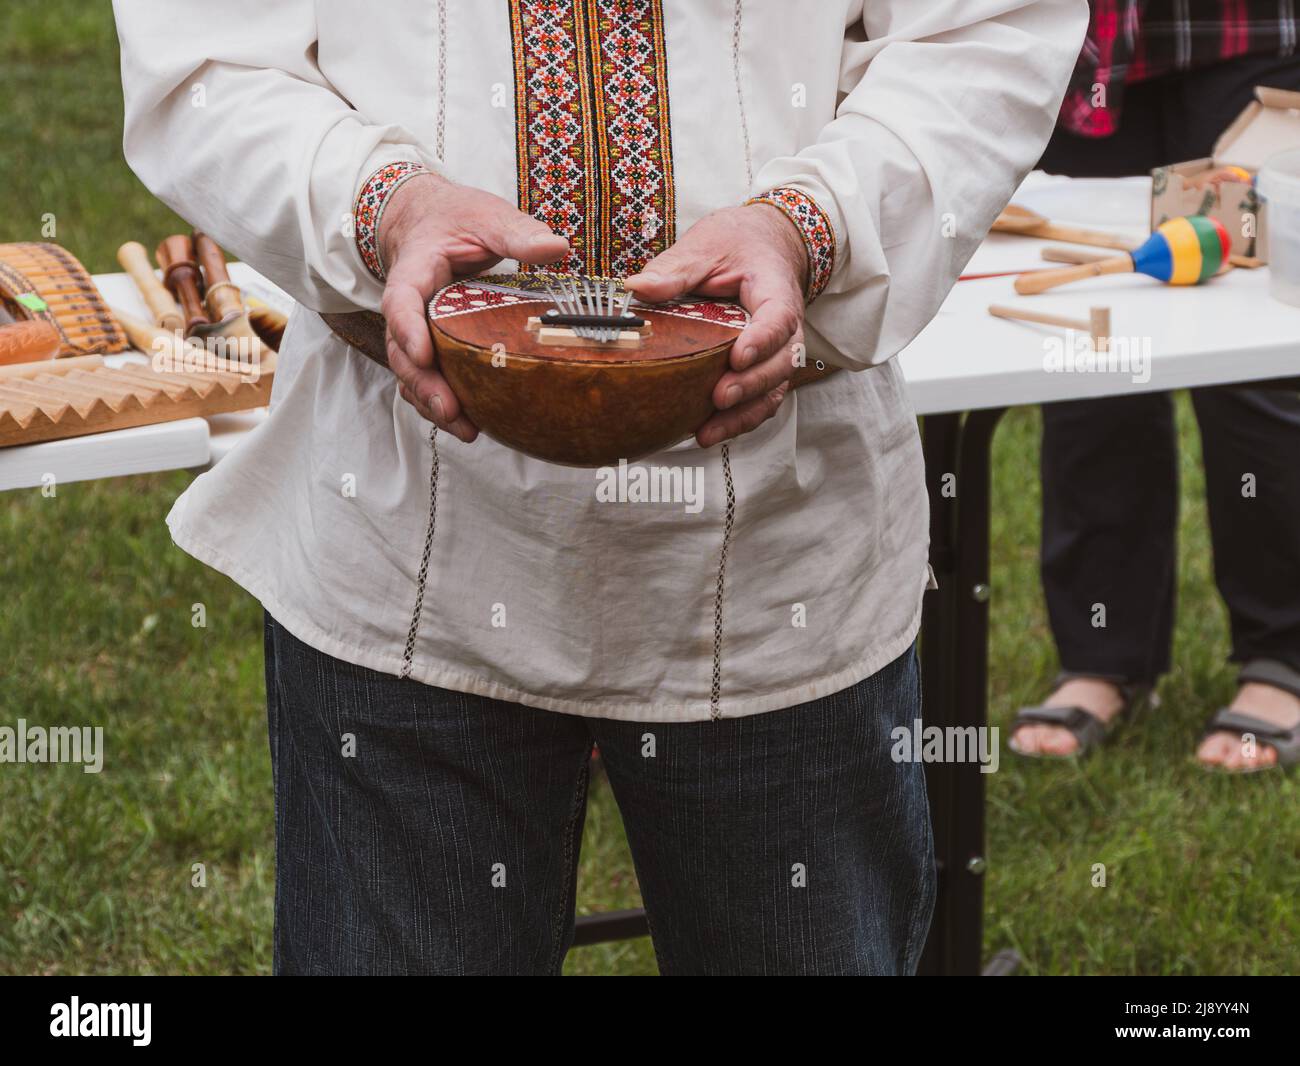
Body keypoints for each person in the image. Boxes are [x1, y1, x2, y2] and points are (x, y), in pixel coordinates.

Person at [114, 0, 1086, 974]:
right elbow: (209, 58)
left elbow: (983, 32)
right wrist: (384, 206)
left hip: (777, 543)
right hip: (405, 520)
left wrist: (808, 225)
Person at [1011, 0, 1300, 770]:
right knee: (1096, 350)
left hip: (1249, 33)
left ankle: (1282, 660)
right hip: (1084, 48)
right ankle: (1102, 655)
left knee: (1255, 353)